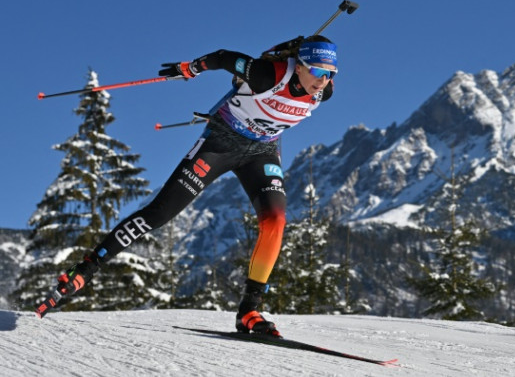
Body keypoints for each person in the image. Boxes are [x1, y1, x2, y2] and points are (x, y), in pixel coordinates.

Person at [41, 35, 339, 337]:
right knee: (159, 213)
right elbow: (224, 57)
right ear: (299, 66)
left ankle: (250, 309)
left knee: (275, 220)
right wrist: (191, 67)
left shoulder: (323, 93)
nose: (322, 80)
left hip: (261, 152)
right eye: (316, 71)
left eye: (329, 74)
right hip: (222, 143)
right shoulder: (266, 74)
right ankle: (86, 269)